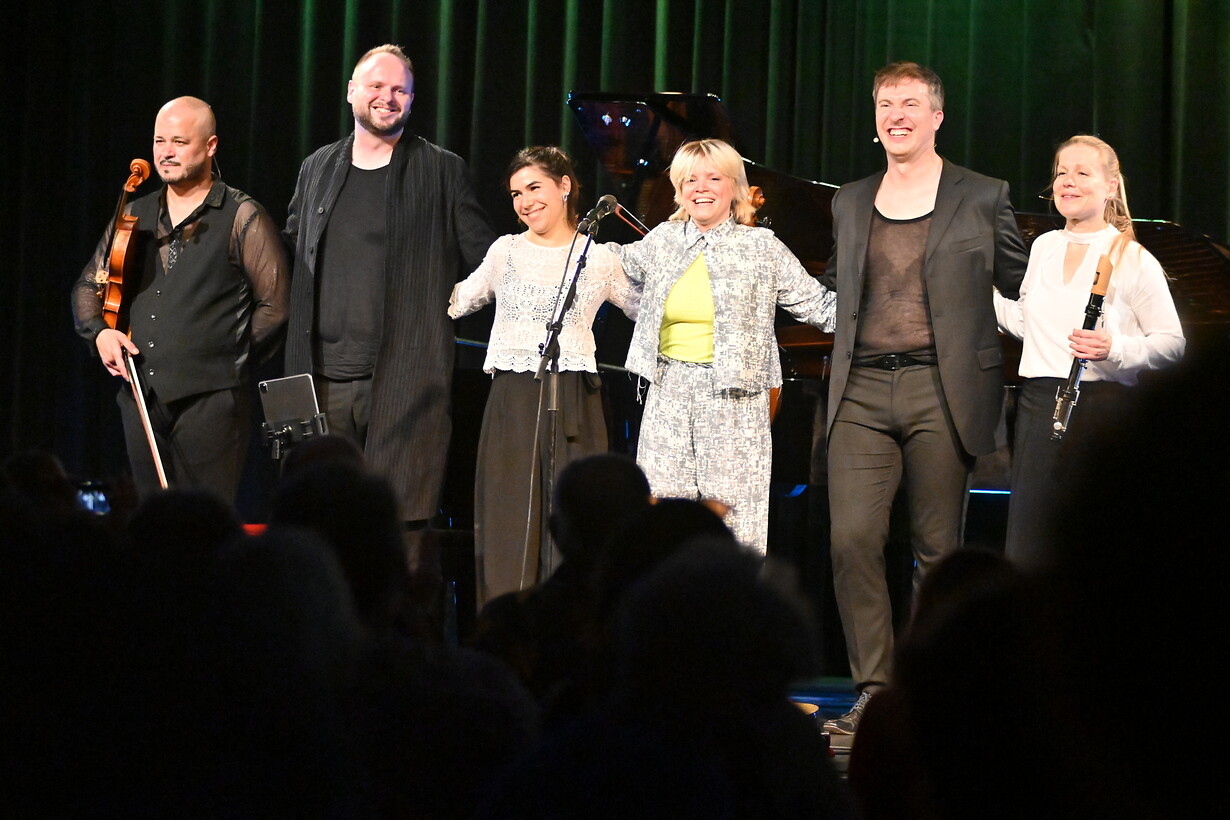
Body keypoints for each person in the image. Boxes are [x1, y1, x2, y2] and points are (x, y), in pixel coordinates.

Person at [821, 61, 1028, 735]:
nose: (897, 115)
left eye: (911, 103)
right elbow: (835, 291)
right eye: (886, 103)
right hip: (860, 389)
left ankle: (929, 694)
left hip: (942, 386)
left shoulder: (983, 194)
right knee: (852, 540)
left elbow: (1024, 285)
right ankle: (875, 690)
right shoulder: (850, 199)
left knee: (937, 550)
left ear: (937, 116)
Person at [283, 44, 494, 544]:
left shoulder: (442, 170)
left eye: (400, 89)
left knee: (402, 531)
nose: (387, 97)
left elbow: (489, 261)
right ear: (351, 91)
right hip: (320, 380)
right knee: (321, 527)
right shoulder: (317, 167)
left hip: (407, 383)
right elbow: (293, 242)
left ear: (412, 101)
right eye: (376, 86)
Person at [614, 138, 836, 552]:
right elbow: (611, 265)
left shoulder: (761, 247)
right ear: (679, 189)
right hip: (667, 393)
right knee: (663, 524)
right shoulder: (663, 239)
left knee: (737, 526)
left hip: (735, 401)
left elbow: (821, 307)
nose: (700, 188)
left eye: (713, 178)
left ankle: (734, 595)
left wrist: (889, 305)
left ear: (734, 186)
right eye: (690, 180)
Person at [72, 96, 288, 503]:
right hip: (141, 396)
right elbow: (88, 286)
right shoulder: (133, 215)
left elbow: (275, 307)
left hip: (213, 402)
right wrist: (99, 333)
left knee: (205, 522)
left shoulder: (242, 215)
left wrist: (227, 357)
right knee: (152, 521)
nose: (165, 152)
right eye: (159, 141)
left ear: (210, 146)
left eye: (179, 142)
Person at [448, 146, 638, 605]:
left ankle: (572, 623)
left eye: (534, 188)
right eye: (516, 194)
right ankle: (507, 622)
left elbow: (646, 308)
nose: (525, 202)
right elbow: (459, 300)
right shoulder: (506, 251)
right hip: (513, 397)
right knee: (510, 513)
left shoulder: (599, 257)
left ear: (564, 186)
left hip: (575, 398)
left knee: (575, 518)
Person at [994, 134, 1184, 567]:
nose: (1068, 181)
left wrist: (1115, 347)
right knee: (1030, 540)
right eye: (1062, 172)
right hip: (1039, 404)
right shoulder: (1043, 247)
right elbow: (1027, 323)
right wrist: (981, 295)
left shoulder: (1131, 256)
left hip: (1101, 410)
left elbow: (1173, 344)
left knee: (1092, 544)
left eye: (1083, 173)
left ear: (1110, 186)